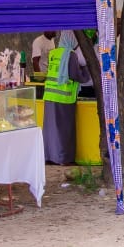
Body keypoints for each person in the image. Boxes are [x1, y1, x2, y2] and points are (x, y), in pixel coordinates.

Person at [42, 31, 89, 166]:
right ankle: (63, 159)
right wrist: (86, 70)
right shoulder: (71, 55)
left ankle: (49, 157)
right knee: (64, 131)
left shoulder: (54, 53)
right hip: (64, 97)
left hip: (50, 95)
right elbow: (76, 76)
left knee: (51, 130)